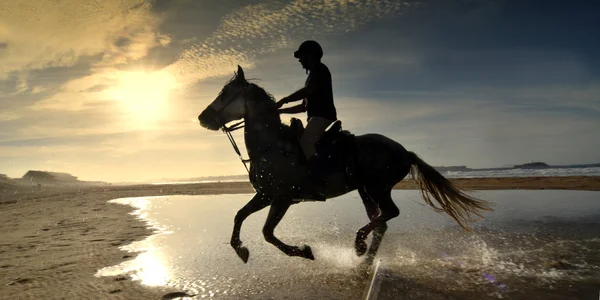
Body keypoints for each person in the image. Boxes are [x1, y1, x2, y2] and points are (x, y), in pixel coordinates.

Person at [276, 40, 337, 187]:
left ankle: (319, 179)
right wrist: (280, 111)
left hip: (323, 116)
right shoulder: (312, 76)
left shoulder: (320, 70)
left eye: (301, 57)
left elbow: (308, 91)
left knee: (306, 142)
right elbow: (304, 106)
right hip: (315, 117)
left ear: (310, 56)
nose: (300, 61)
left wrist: (284, 100)